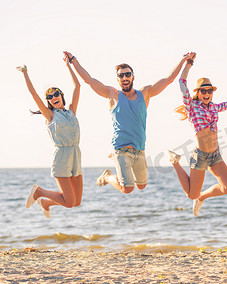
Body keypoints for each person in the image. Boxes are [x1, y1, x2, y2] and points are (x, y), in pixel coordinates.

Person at [63, 51, 194, 194]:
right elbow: (89, 80)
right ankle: (107, 177)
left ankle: (111, 175)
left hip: (139, 150)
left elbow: (168, 79)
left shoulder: (145, 93)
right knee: (127, 188)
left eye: (127, 74)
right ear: (118, 79)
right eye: (121, 75)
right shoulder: (113, 95)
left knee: (142, 186)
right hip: (121, 149)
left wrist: (183, 61)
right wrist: (73, 60)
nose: (124, 78)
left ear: (133, 77)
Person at [168, 53, 227, 217]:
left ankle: (202, 198)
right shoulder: (192, 106)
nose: (206, 93)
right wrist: (188, 63)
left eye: (209, 91)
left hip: (215, 154)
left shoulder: (213, 107)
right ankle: (175, 162)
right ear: (198, 92)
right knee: (191, 194)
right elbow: (181, 83)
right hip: (201, 156)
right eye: (203, 91)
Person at [17, 53, 82, 218]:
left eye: (55, 94)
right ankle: (39, 192)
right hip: (61, 157)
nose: (53, 97)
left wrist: (69, 65)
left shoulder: (71, 111)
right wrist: (25, 72)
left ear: (61, 95)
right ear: (48, 101)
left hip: (76, 154)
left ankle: (45, 202)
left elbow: (77, 86)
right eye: (49, 97)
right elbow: (33, 93)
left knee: (76, 201)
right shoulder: (50, 115)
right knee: (68, 202)